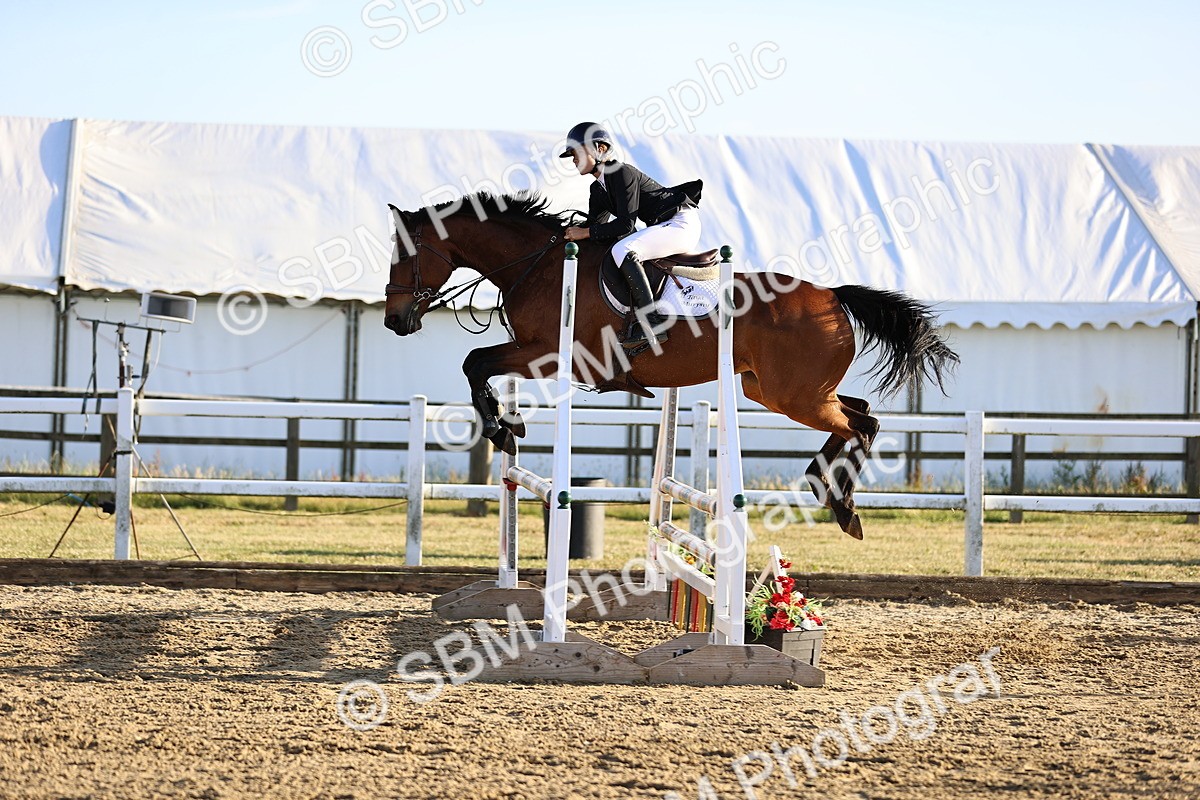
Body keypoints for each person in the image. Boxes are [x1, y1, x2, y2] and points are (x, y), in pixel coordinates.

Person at [561, 122, 703, 352]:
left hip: (681, 223)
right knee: (620, 248)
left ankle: (652, 323)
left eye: (576, 151)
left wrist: (585, 232)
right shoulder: (597, 190)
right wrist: (568, 235)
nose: (573, 159)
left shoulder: (621, 172)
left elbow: (626, 224)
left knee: (623, 249)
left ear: (600, 149)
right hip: (665, 226)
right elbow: (596, 229)